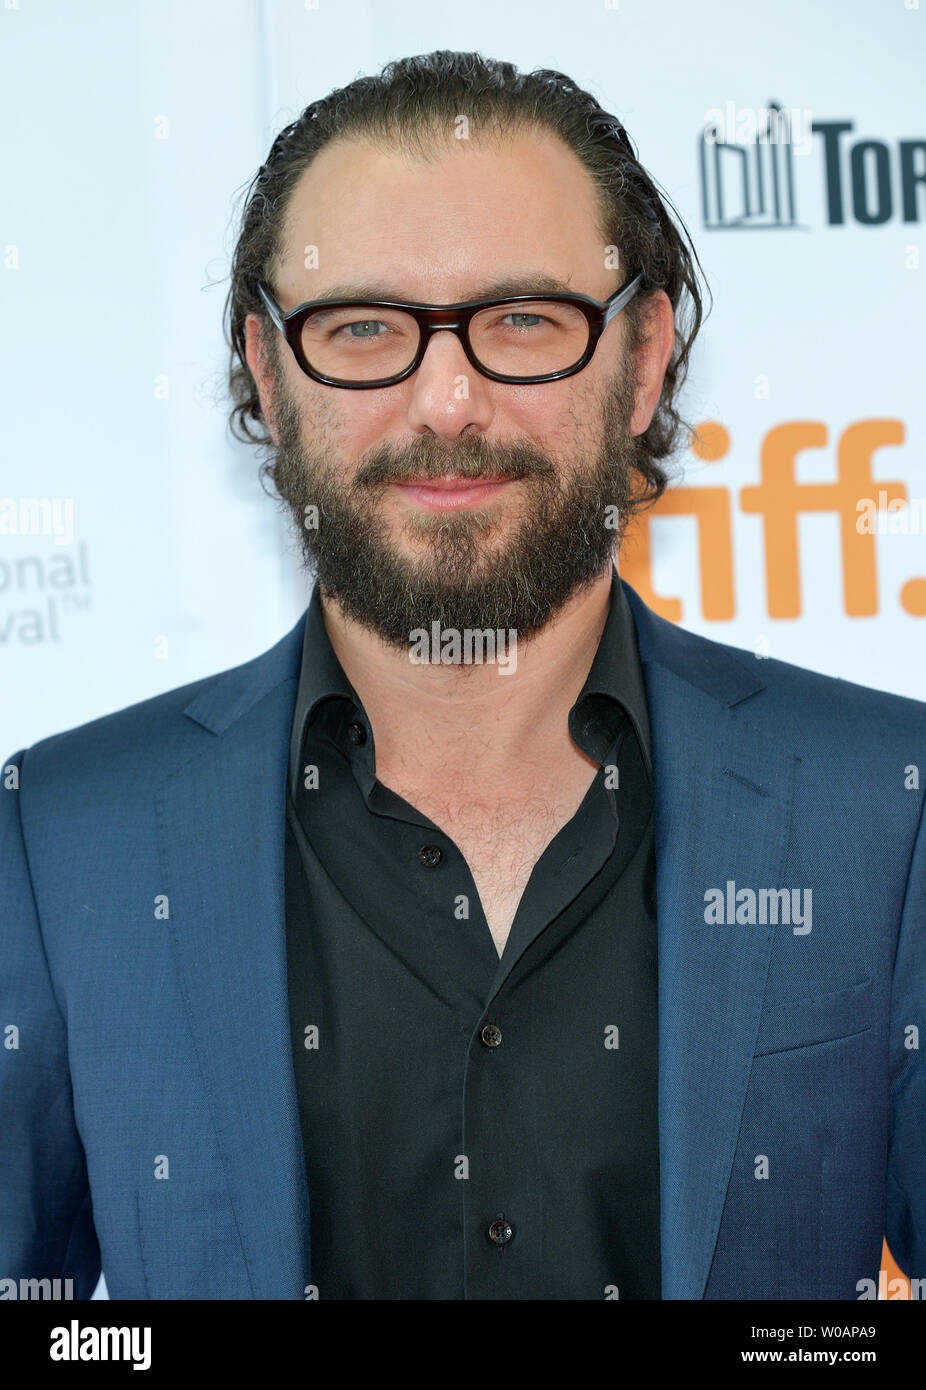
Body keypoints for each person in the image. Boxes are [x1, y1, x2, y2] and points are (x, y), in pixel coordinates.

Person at [2, 51, 923, 1302]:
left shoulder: (884, 812)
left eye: (523, 321)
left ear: (643, 357)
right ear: (269, 375)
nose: (446, 398)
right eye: (365, 327)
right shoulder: (64, 844)